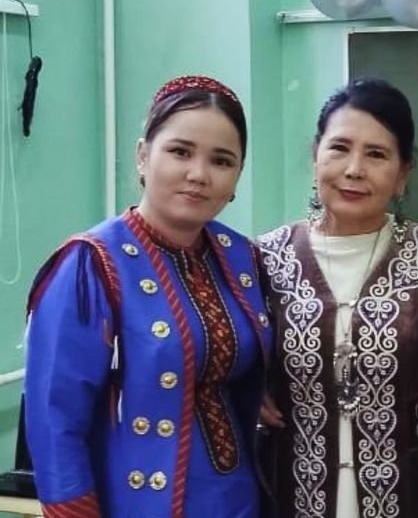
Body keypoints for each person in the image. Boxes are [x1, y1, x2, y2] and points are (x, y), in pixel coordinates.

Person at [24, 75, 273, 518]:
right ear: (143, 155)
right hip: (138, 500)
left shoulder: (241, 257)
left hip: (239, 497)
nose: (198, 174)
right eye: (180, 152)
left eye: (221, 160)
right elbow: (54, 417)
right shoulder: (91, 264)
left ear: (237, 176)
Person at [257, 78, 418, 518]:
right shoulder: (265, 258)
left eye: (376, 154)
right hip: (292, 486)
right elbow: (216, 341)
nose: (354, 169)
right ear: (315, 155)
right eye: (339, 148)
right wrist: (244, 390)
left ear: (403, 173)